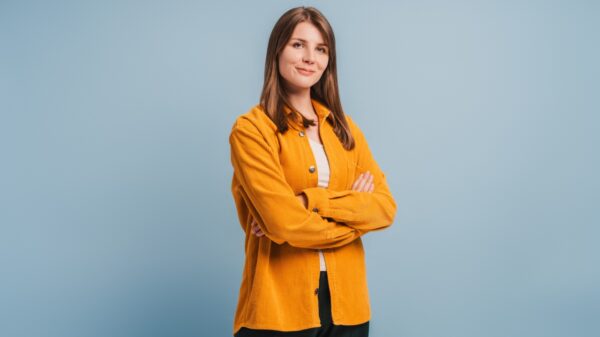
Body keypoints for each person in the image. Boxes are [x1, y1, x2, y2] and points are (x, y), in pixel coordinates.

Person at [229, 6, 397, 337]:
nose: (310, 58)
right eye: (298, 45)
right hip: (277, 311)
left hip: (349, 309)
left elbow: (384, 208)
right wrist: (353, 221)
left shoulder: (346, 131)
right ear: (277, 50)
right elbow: (282, 222)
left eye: (321, 49)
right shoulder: (251, 130)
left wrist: (309, 202)